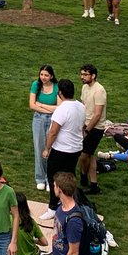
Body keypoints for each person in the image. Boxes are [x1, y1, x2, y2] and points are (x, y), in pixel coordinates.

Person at [40, 79, 86, 219]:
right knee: (69, 176)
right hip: (76, 148)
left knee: (54, 176)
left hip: (62, 150)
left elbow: (53, 132)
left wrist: (47, 148)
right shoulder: (80, 106)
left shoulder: (62, 109)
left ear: (60, 93)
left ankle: (53, 207)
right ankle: (70, 203)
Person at [78, 63, 107, 195]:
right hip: (85, 125)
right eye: (81, 74)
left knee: (84, 156)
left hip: (96, 128)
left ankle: (84, 175)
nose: (82, 77)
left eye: (85, 74)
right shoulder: (84, 87)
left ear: (93, 76)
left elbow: (97, 114)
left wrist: (87, 130)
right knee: (89, 155)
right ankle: (94, 184)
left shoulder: (99, 90)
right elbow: (84, 106)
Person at [28, 65, 58, 192]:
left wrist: (41, 104)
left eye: (46, 75)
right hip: (38, 119)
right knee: (39, 148)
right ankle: (40, 178)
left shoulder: (57, 87)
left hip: (53, 119)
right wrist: (46, 108)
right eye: (42, 75)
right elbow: (32, 105)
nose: (43, 77)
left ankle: (49, 178)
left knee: (50, 148)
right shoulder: (36, 84)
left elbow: (59, 107)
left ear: (51, 76)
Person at [14, 191, 48, 255]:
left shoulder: (6, 220)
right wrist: (33, 241)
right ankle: (39, 254)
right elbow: (45, 243)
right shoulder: (31, 222)